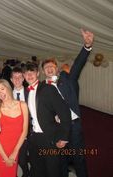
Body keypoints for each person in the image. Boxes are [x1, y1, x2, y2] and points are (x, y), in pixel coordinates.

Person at [41, 29, 94, 177]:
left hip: (73, 125)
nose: (49, 68)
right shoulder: (43, 88)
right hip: (58, 128)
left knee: (79, 158)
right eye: (46, 68)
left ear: (56, 68)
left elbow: (78, 64)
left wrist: (87, 46)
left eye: (51, 66)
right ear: (44, 72)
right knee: (61, 160)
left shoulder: (68, 80)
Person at [23, 63, 71, 177]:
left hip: (49, 137)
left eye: (32, 72)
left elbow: (65, 112)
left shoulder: (48, 88)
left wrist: (64, 137)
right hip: (33, 138)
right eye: (26, 73)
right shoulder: (26, 91)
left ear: (38, 74)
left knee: (53, 170)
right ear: (24, 75)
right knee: (37, 169)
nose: (29, 75)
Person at [0, 79, 28, 177]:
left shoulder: (22, 105)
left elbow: (24, 131)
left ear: (8, 88)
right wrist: (6, 158)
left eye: (2, 89)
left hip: (15, 149)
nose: (0, 93)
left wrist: (14, 153)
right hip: (0, 151)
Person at [10, 67, 30, 177]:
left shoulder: (30, 92)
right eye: (15, 77)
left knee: (23, 160)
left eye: (19, 77)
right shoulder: (7, 95)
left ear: (23, 78)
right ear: (11, 80)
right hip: (12, 133)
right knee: (13, 160)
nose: (17, 80)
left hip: (27, 133)